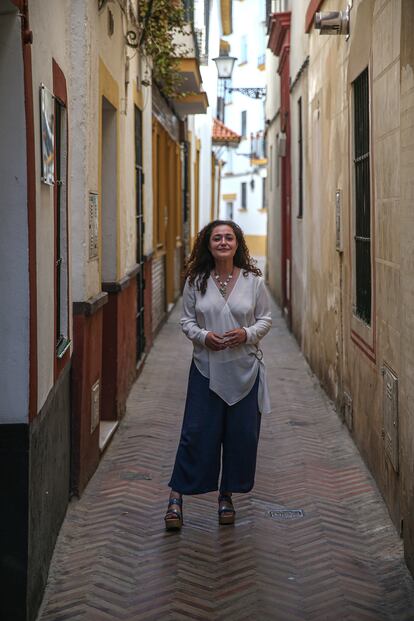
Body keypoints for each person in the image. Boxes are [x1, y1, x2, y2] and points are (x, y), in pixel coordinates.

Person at [164, 220, 272, 530]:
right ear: (207, 245)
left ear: (237, 243)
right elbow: (186, 321)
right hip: (205, 369)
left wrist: (247, 334)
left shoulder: (253, 281)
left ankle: (226, 496)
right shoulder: (196, 280)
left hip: (245, 371)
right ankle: (176, 495)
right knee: (196, 433)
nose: (223, 242)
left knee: (240, 436)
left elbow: (265, 320)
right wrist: (203, 337)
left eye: (228, 237)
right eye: (216, 238)